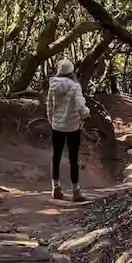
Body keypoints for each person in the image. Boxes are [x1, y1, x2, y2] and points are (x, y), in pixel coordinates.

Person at [46, 58, 90, 202]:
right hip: (73, 127)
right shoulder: (75, 86)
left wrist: (52, 120)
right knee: (73, 159)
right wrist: (86, 113)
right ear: (72, 71)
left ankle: (55, 188)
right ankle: (76, 191)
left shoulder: (53, 85)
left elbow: (49, 106)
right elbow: (80, 106)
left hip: (57, 126)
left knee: (56, 157)